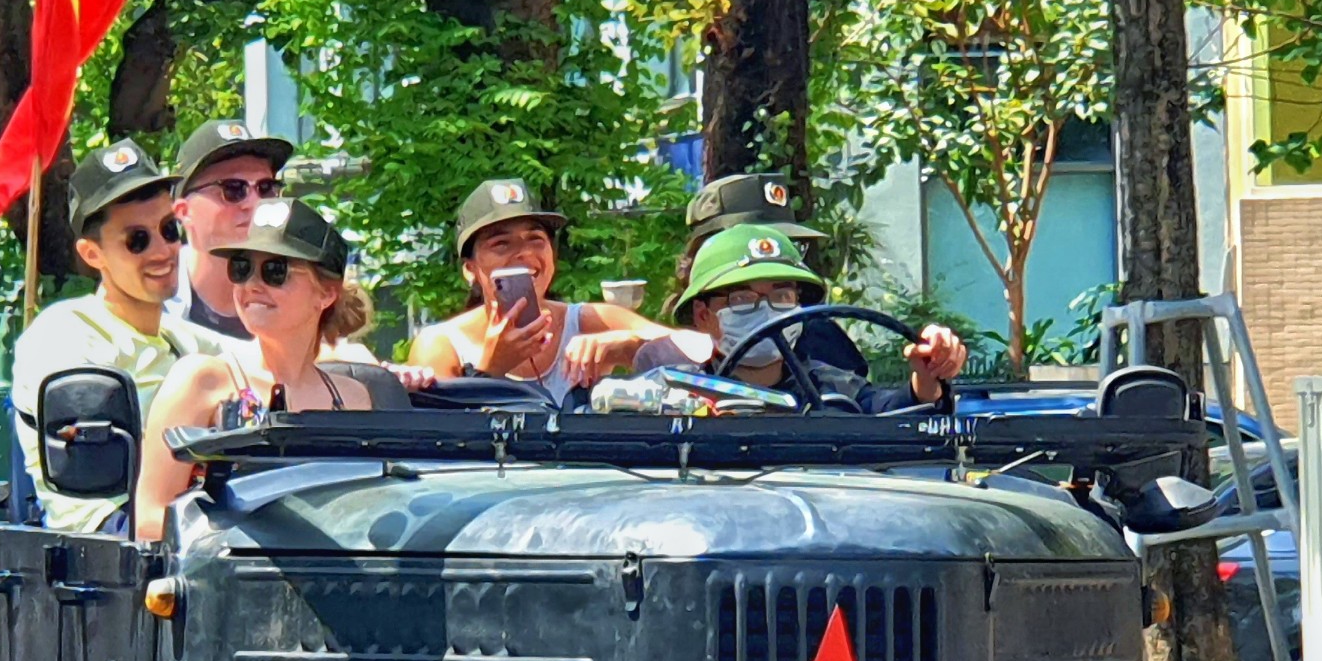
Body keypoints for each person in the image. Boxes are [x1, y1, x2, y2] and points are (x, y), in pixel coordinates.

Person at [9, 139, 228, 530]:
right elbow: (106, 455)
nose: (162, 250)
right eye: (137, 240)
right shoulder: (63, 335)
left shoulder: (187, 342)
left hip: (191, 520)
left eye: (169, 229)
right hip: (108, 539)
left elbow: (266, 367)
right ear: (93, 255)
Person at [136, 199, 378, 540]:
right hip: (226, 583)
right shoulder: (202, 381)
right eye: (241, 267)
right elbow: (149, 518)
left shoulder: (352, 397)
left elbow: (361, 514)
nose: (251, 284)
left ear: (325, 294)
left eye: (275, 270)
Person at [633, 224, 968, 410]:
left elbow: (890, 410)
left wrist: (928, 374)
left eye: (782, 296)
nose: (766, 311)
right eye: (743, 298)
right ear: (704, 315)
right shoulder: (676, 394)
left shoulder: (833, 391)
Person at [405, 178, 663, 393]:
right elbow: (442, 444)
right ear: (470, 269)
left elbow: (698, 351)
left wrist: (630, 345)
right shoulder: (443, 344)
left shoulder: (590, 320)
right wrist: (490, 370)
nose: (525, 254)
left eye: (535, 239)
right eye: (501, 243)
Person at [681, 171, 868, 374]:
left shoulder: (813, 335)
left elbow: (861, 401)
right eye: (759, 245)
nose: (777, 255)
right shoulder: (665, 350)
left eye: (792, 245)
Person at [171, 120, 294, 339]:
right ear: (184, 211)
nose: (254, 203)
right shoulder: (151, 301)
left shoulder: (301, 296)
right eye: (233, 189)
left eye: (266, 189)